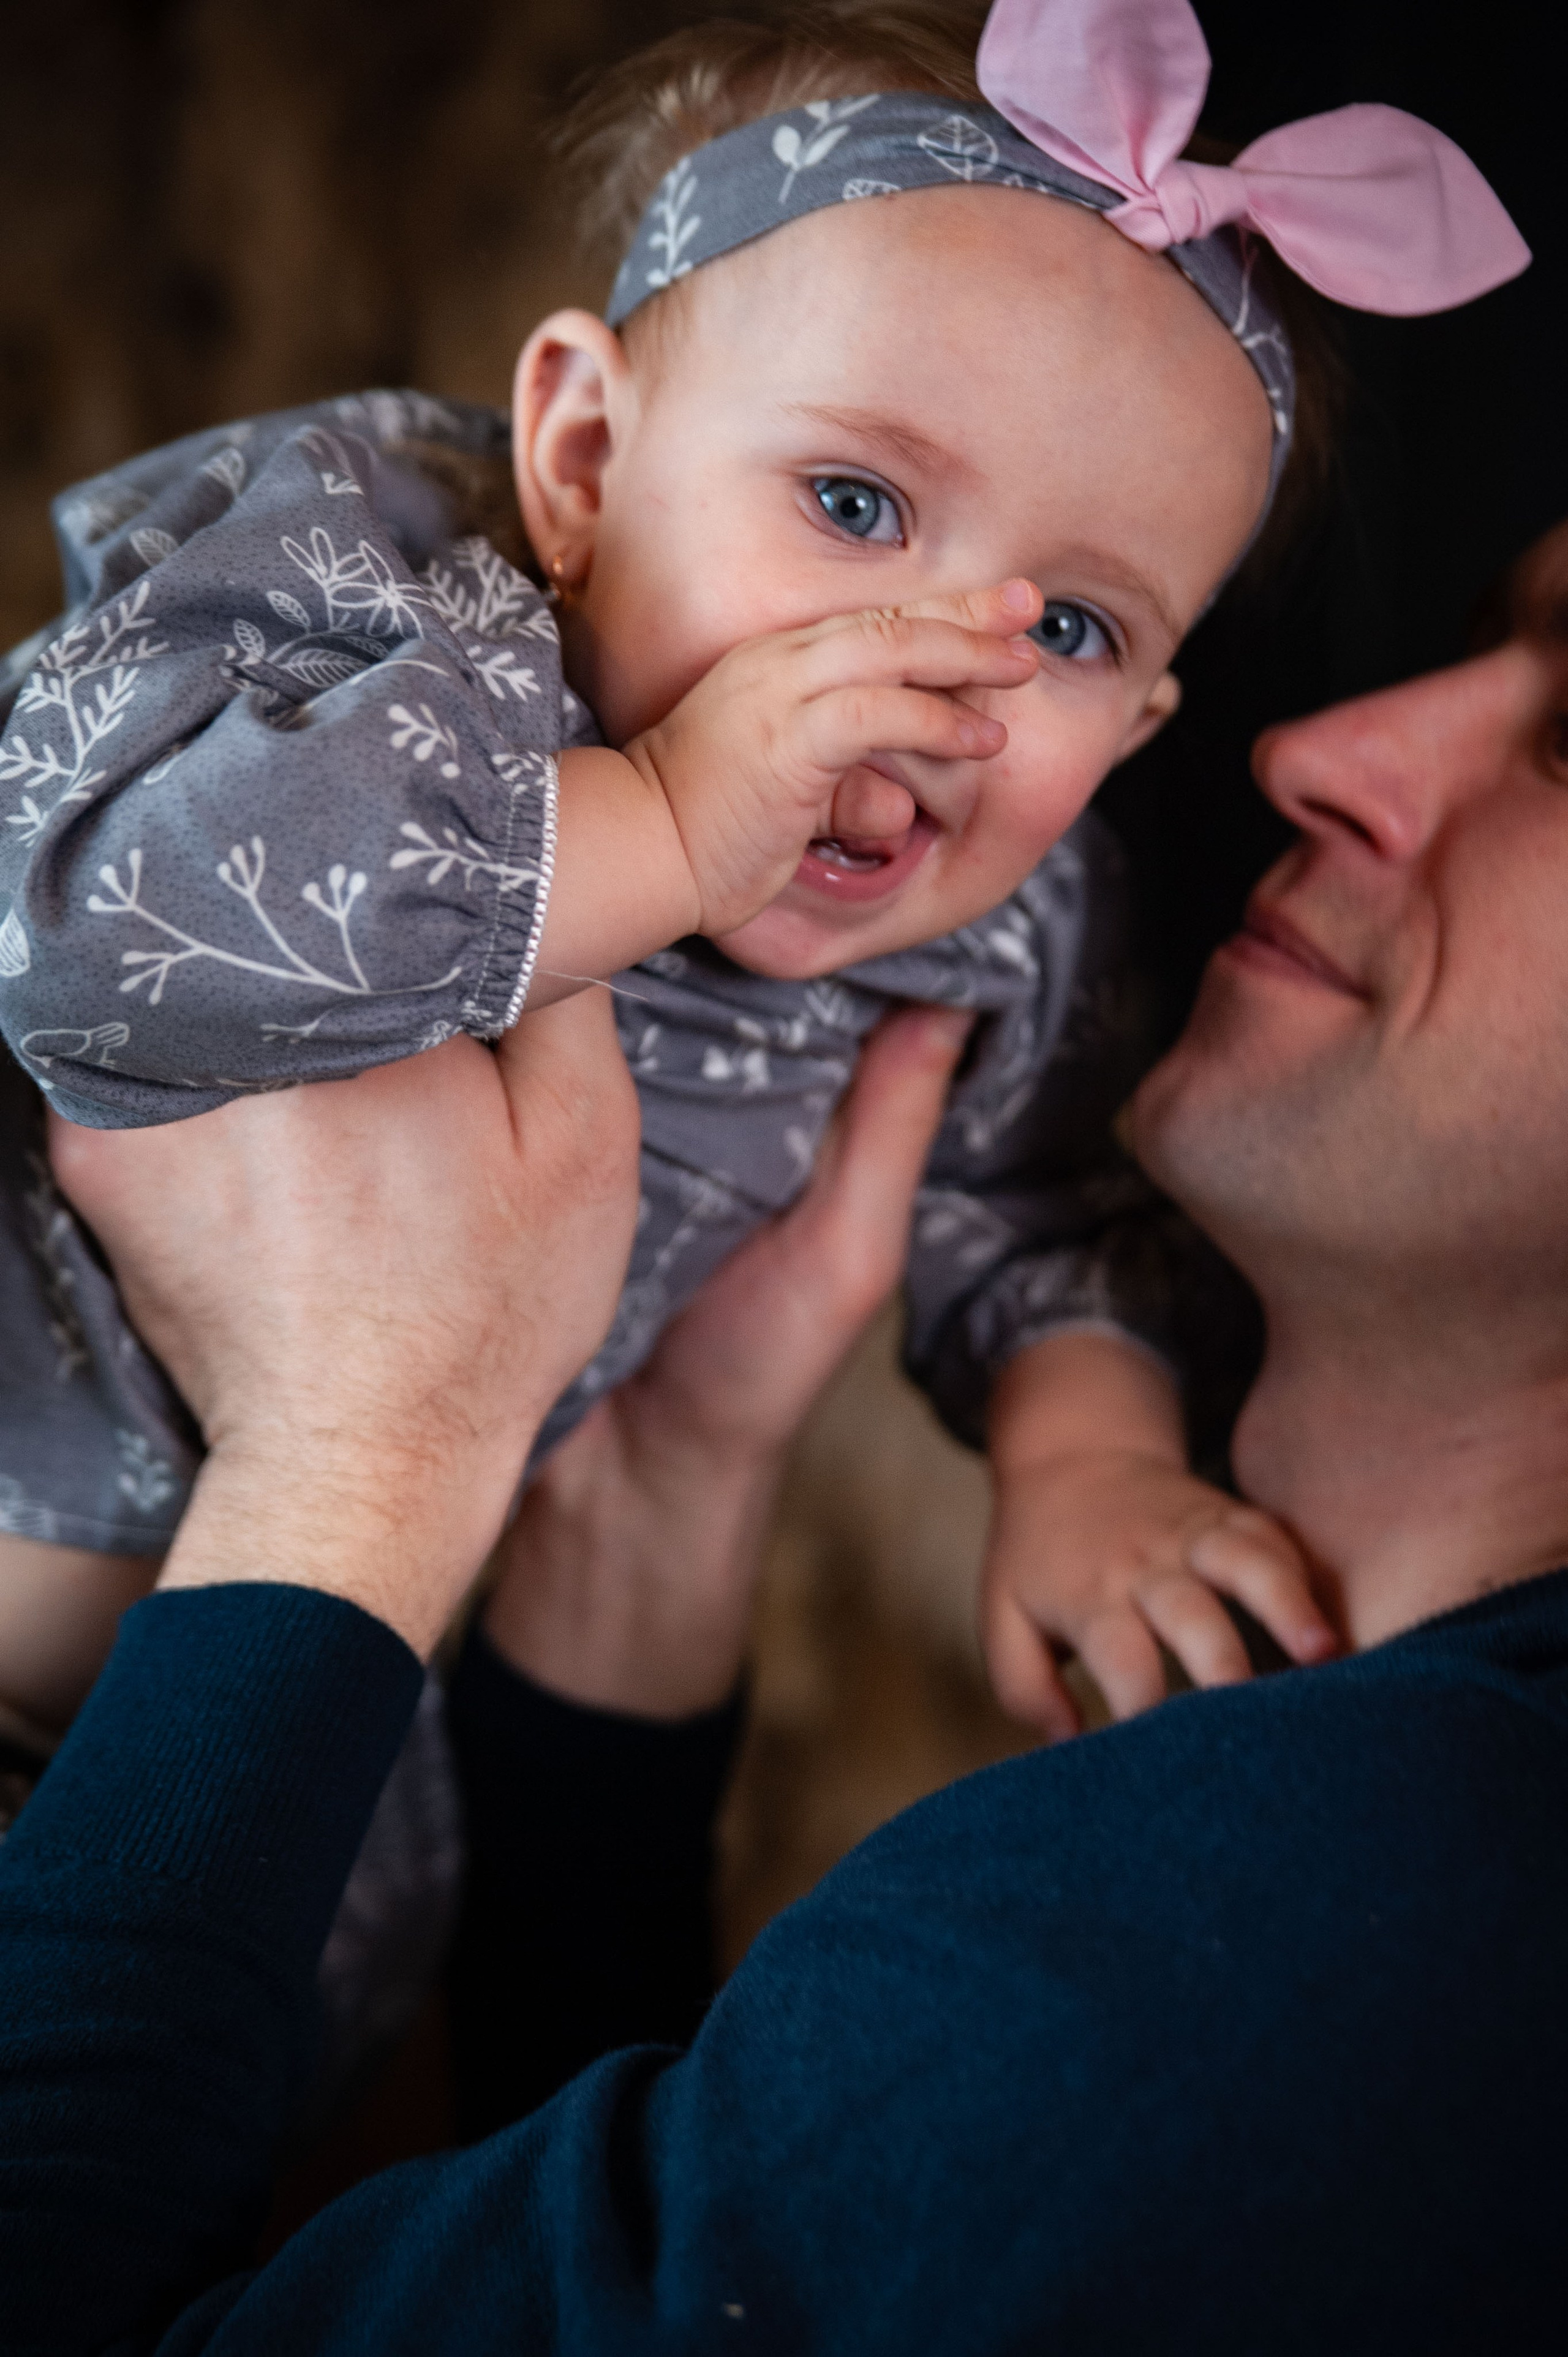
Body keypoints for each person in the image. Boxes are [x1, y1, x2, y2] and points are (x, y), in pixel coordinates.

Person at [7, 513, 1568, 2351]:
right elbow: (628, 2255)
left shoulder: (1360, 1924)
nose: (1316, 753)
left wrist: (363, 1452)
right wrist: (665, 1492)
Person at [0, 0, 1528, 1753]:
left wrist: (1084, 1459)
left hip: (316, 1724)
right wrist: (656, 817)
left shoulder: (1007, 929)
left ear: (1135, 732)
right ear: (580, 458)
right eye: (856, 506)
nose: (941, 670)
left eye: (1079, 626)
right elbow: (90, 928)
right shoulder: (387, 588)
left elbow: (1041, 1219)